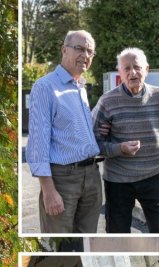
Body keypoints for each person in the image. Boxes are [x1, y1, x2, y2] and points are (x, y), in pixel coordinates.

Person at [92, 47, 159, 233]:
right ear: (120, 72)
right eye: (126, 68)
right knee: (117, 237)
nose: (132, 72)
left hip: (153, 177)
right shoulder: (107, 102)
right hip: (118, 181)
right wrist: (119, 148)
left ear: (147, 69)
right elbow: (93, 145)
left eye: (137, 67)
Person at [26, 30, 102, 233]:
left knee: (86, 244)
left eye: (90, 51)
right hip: (63, 180)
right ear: (64, 50)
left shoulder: (80, 87)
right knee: (59, 246)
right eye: (79, 48)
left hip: (91, 176)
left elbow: (71, 132)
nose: (85, 55)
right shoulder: (46, 87)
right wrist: (48, 190)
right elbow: (38, 144)